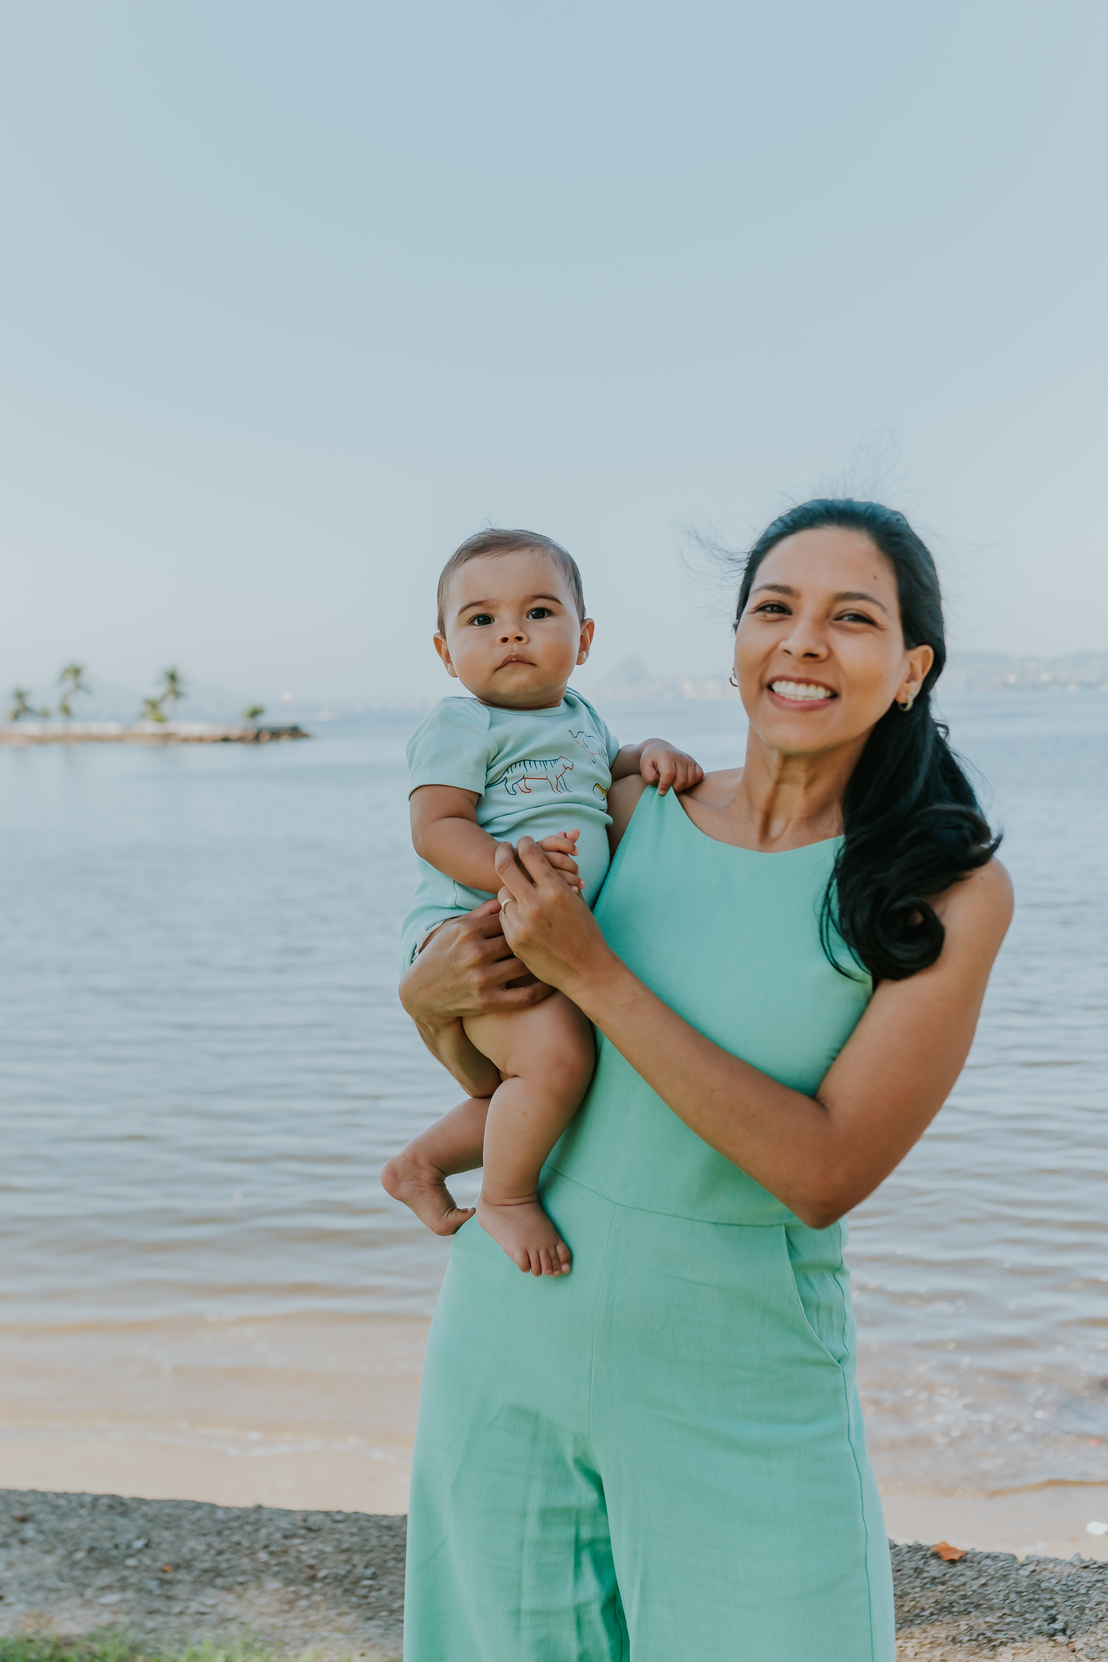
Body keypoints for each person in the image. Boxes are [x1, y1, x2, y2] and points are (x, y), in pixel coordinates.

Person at [397, 500, 1013, 1661]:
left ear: (912, 667)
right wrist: (427, 1005)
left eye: (852, 617)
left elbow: (824, 1171)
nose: (802, 640)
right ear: (736, 640)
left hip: (741, 1383)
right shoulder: (632, 810)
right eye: (774, 607)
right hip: (509, 1339)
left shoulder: (943, 891)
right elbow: (510, 1062)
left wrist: (596, 969)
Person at [382, 527, 703, 1277]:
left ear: (584, 639)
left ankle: (419, 1165)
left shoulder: (580, 717)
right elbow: (436, 828)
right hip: (474, 928)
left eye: (538, 612)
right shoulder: (462, 723)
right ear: (445, 652)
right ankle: (506, 1197)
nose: (512, 632)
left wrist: (648, 752)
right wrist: (511, 868)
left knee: (543, 1079)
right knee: (556, 1062)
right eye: (482, 619)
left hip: (540, 927)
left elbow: (609, 768)